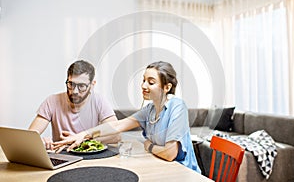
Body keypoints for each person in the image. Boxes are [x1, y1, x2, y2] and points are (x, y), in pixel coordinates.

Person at [53, 61, 201, 173]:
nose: (143, 86)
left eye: (151, 82)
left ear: (167, 87)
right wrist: (83, 135)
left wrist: (148, 145)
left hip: (183, 173)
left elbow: (170, 153)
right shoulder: (149, 110)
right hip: (163, 169)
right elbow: (117, 126)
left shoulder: (177, 107)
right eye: (143, 80)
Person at [29, 60, 120, 150]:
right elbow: (29, 136)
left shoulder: (99, 101)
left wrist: (82, 139)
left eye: (81, 86)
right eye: (71, 84)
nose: (75, 91)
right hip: (63, 155)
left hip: (90, 156)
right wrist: (40, 141)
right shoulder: (52, 101)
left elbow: (116, 136)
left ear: (92, 85)